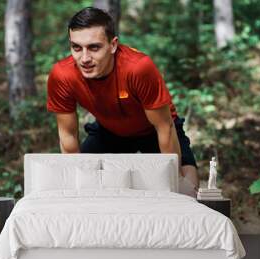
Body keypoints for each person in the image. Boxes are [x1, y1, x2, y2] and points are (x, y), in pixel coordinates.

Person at [46, 7, 198, 194]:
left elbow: (164, 126)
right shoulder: (62, 75)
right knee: (82, 184)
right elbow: (68, 137)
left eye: (94, 47)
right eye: (76, 48)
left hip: (155, 130)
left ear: (113, 45)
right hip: (110, 131)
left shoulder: (137, 68)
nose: (84, 58)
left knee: (187, 189)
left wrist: (177, 181)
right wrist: (77, 184)